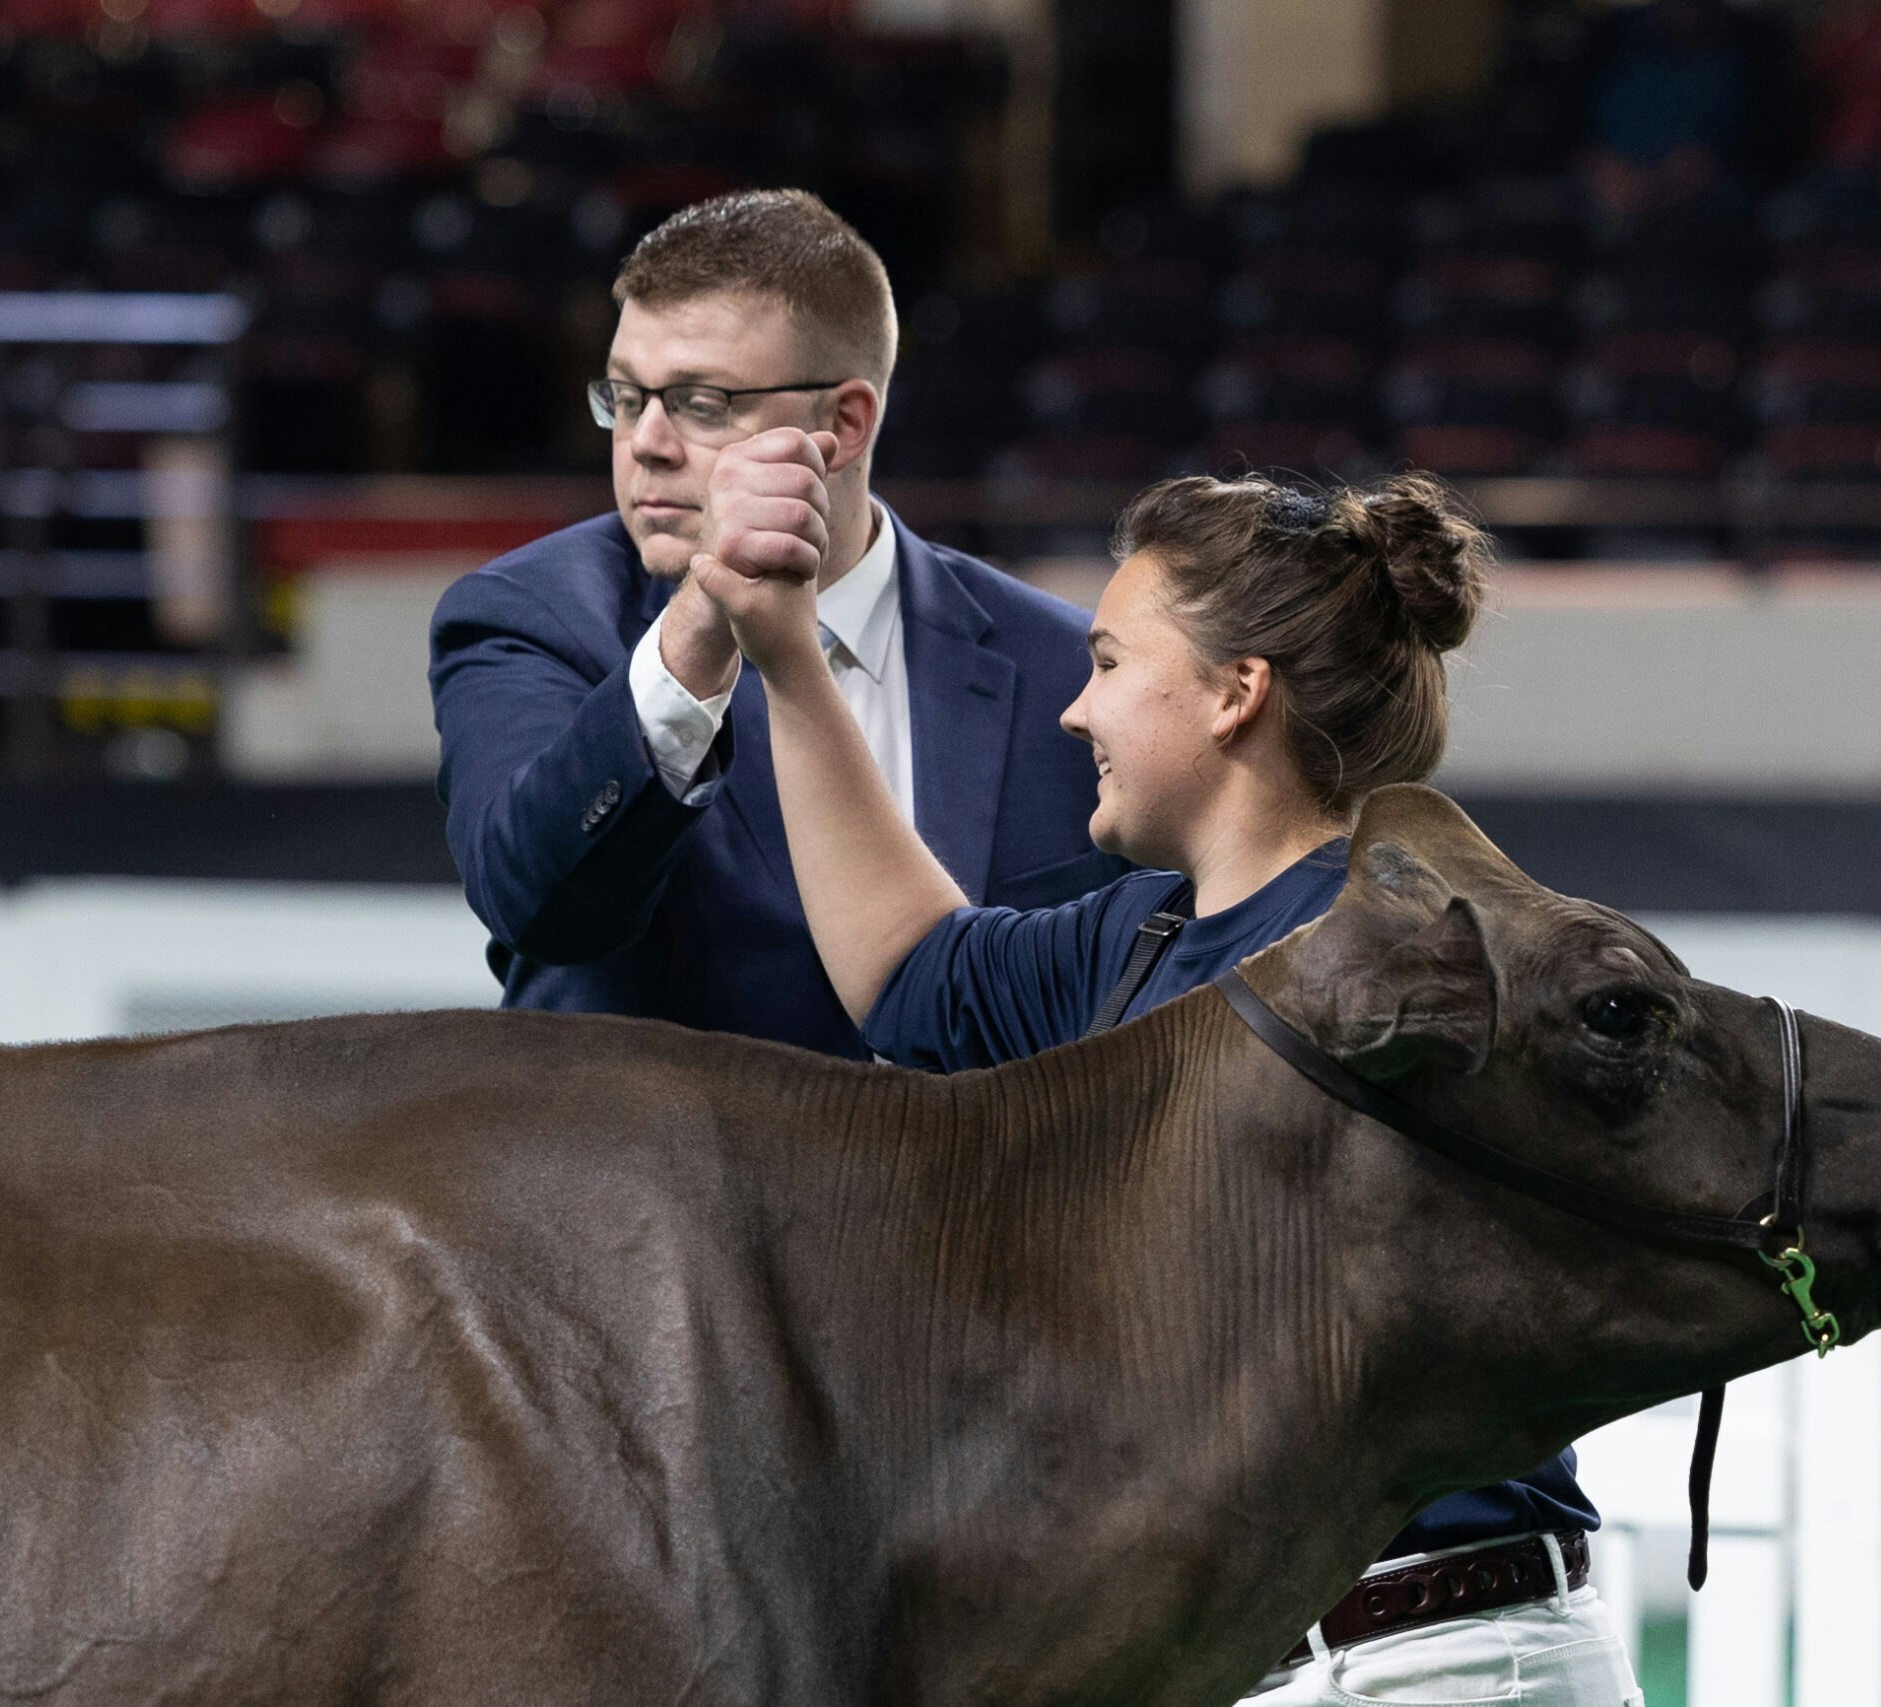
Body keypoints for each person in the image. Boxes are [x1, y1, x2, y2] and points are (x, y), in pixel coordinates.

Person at [695, 461, 1641, 1705]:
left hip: (1437, 1662)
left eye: (1105, 663)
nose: (1071, 715)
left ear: (1235, 695)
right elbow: (908, 969)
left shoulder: (1430, 954)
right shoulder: (1130, 940)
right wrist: (787, 662)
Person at [427, 189, 1121, 1053]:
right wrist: (703, 620)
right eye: (625, 395)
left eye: (701, 402)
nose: (645, 441)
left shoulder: (1067, 666)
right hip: (659, 1185)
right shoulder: (527, 616)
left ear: (845, 422)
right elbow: (538, 909)